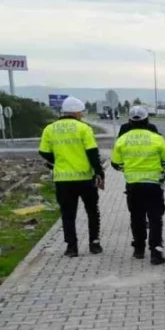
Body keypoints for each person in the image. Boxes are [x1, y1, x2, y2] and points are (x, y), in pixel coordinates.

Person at [38, 96, 104, 257]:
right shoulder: (84, 128)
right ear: (75, 112)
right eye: (81, 112)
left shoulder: (50, 129)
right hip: (85, 178)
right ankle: (94, 244)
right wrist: (99, 172)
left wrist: (57, 162)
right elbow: (92, 152)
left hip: (62, 179)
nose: (82, 115)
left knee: (68, 214)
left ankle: (71, 247)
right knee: (92, 211)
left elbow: (44, 152)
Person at [110, 109, 165, 264]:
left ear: (130, 122)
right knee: (155, 218)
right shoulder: (156, 138)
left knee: (136, 217)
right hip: (153, 185)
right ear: (147, 121)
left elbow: (115, 163)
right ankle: (156, 252)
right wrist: (160, 167)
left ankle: (139, 249)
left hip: (133, 185)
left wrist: (127, 169)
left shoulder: (122, 139)